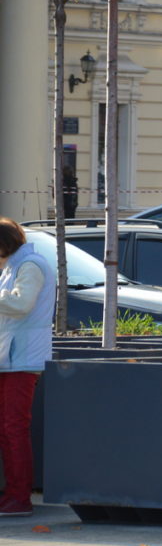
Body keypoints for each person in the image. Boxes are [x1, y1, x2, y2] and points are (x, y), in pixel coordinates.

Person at [0, 217, 55, 517]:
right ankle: (14, 494)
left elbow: (21, 305)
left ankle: (19, 497)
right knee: (9, 429)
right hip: (13, 357)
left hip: (22, 358)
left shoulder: (29, 266)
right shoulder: (15, 266)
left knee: (14, 428)